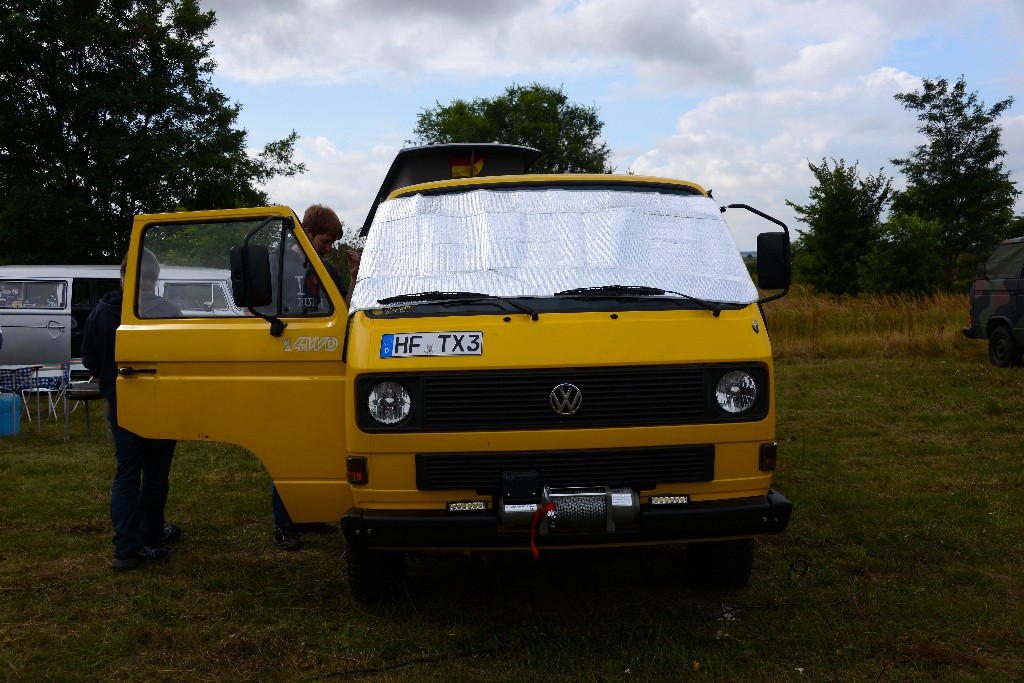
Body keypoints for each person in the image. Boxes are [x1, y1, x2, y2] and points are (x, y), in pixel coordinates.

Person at [83, 249, 183, 569]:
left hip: (120, 401)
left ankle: (131, 543)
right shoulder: (167, 311)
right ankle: (143, 538)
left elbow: (91, 362)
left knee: (127, 473)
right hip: (158, 402)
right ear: (154, 279)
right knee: (155, 473)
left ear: (123, 276)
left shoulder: (101, 312)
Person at [271, 204, 350, 551]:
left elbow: (343, 313)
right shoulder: (276, 264)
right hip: (287, 361)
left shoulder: (327, 269)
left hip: (320, 358)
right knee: (287, 444)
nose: (329, 248)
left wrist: (355, 273)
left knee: (317, 441)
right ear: (305, 232)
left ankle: (310, 512)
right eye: (325, 241)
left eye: (332, 243)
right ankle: (283, 523)